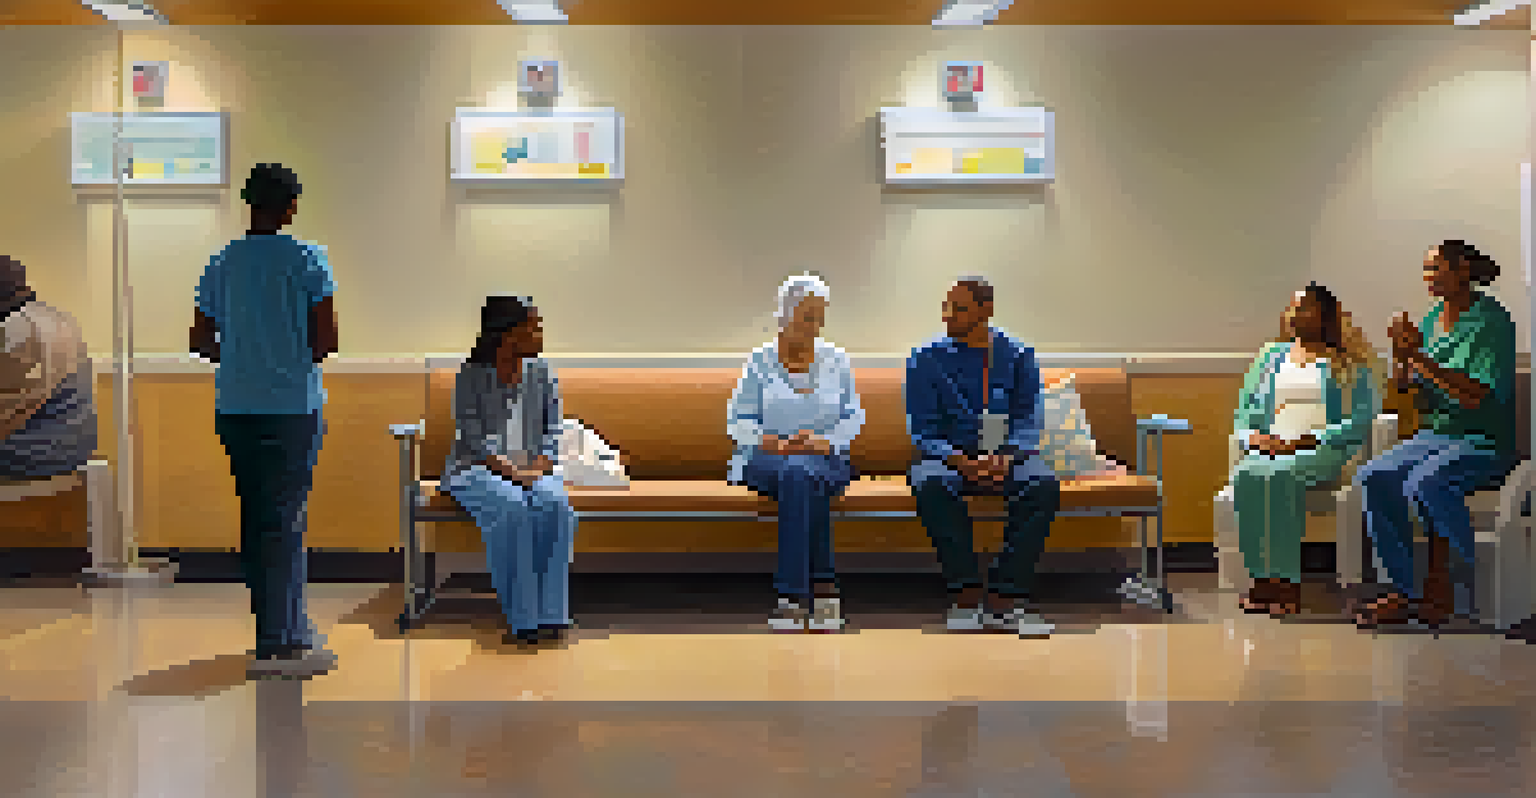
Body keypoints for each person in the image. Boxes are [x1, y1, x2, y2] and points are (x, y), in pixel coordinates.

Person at [191, 163, 340, 678]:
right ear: (291, 206)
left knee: (258, 518)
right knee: (285, 519)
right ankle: (280, 643)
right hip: (292, 406)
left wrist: (242, 358)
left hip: (236, 407)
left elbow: (200, 339)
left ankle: (282, 627)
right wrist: (284, 357)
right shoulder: (307, 259)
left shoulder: (222, 262)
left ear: (248, 202)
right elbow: (326, 340)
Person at [1353, 241, 1517, 629]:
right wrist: (1401, 354)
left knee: (1427, 481)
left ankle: (1455, 587)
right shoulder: (1430, 320)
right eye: (1426, 269)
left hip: (1483, 441)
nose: (1428, 276)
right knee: (1373, 476)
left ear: (1463, 271)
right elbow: (1406, 387)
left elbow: (1476, 396)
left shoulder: (1492, 321)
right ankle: (1403, 590)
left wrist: (1419, 357)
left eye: (1437, 268)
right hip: (1436, 436)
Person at [906, 277, 1059, 636]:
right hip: (947, 458)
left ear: (985, 310)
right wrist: (959, 460)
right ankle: (966, 594)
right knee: (930, 483)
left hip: (1007, 456)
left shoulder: (1018, 356)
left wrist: (1007, 457)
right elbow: (922, 430)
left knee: (1042, 484)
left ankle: (1006, 595)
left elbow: (1028, 418)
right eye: (946, 307)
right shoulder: (925, 359)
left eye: (958, 309)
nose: (947, 316)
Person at [1224, 283, 1381, 616]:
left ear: (1325, 316)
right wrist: (1254, 438)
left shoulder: (1347, 361)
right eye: (1293, 307)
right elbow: (1244, 412)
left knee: (1281, 476)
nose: (1295, 314)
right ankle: (1261, 577)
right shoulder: (1270, 357)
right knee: (1247, 475)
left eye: (1306, 307)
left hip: (1321, 447)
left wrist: (1311, 439)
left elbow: (1363, 416)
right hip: (1272, 445)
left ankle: (1287, 581)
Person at [727, 274, 865, 632]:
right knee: (799, 473)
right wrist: (769, 440)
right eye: (807, 316)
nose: (814, 325)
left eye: (819, 317)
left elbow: (853, 418)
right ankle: (824, 589)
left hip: (826, 458)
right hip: (766, 459)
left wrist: (824, 441)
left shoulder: (837, 360)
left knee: (802, 474)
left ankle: (791, 598)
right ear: (784, 314)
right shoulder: (759, 361)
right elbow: (737, 421)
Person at [442, 295, 577, 646]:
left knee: (555, 504)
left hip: (533, 468)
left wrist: (541, 464)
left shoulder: (542, 373)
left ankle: (552, 613)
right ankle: (524, 617)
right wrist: (512, 472)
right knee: (512, 506)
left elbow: (553, 429)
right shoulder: (471, 375)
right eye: (533, 327)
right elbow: (471, 436)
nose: (540, 334)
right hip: (477, 468)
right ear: (508, 333)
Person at [0, 256, 98, 479]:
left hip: (38, 452)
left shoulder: (19, 331)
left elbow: (5, 412)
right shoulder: (52, 318)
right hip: (72, 445)